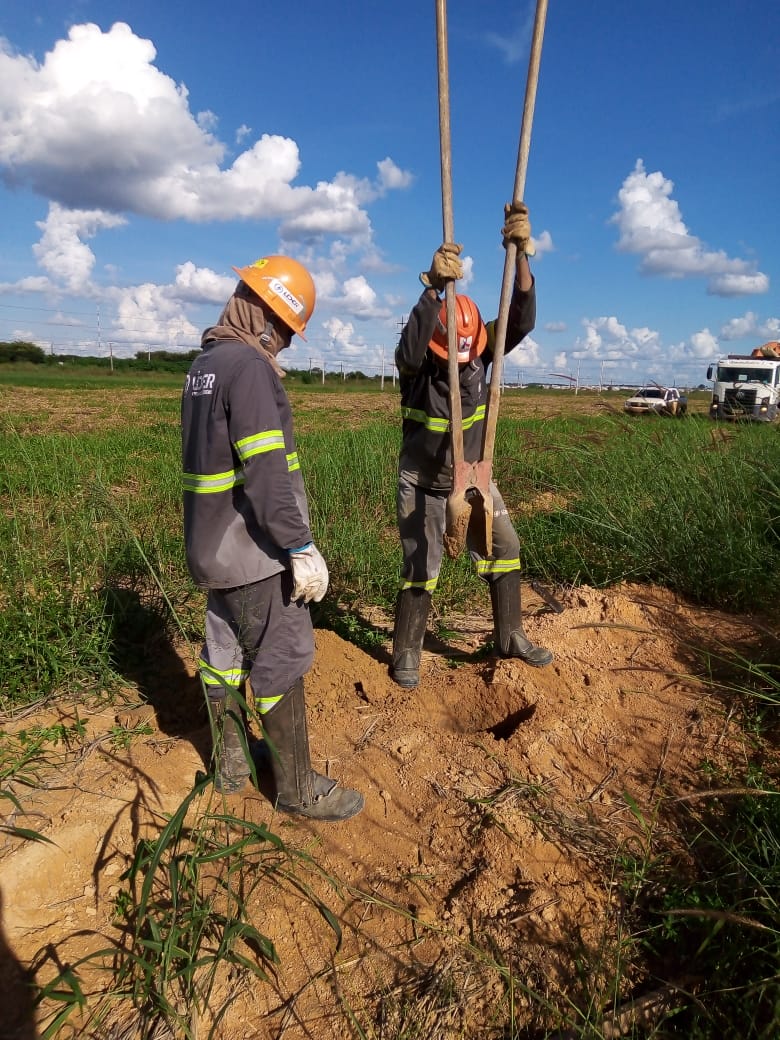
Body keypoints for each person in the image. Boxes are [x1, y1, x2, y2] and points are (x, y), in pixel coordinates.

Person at [181, 255, 363, 821]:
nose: (283, 343)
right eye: (284, 329)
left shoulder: (204, 365)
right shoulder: (250, 369)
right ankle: (296, 789)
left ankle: (233, 768)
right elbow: (266, 474)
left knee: (224, 657)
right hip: (253, 552)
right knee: (279, 661)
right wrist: (299, 546)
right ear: (264, 316)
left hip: (210, 549)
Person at [391, 203, 553, 688]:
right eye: (453, 360)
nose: (462, 366)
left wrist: (522, 256)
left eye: (468, 358)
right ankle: (406, 653)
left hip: (475, 479)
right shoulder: (417, 371)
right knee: (422, 565)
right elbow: (408, 348)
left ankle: (509, 636)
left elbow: (520, 319)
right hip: (423, 481)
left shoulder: (482, 353)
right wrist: (432, 287)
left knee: (506, 549)